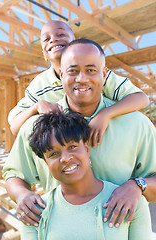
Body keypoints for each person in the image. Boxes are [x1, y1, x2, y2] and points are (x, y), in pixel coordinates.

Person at [3, 39, 156, 234]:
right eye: (73, 71)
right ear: (61, 74)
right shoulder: (37, 127)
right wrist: (21, 194)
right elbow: (13, 173)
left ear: (104, 74)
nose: (81, 79)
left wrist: (137, 186)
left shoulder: (136, 124)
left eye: (91, 70)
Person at [8, 21, 149, 148]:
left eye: (61, 34)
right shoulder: (39, 85)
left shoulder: (97, 76)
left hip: (103, 143)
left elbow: (141, 98)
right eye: (46, 38)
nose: (54, 39)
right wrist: (36, 107)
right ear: (44, 53)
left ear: (74, 44)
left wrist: (105, 114)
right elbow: (15, 127)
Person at [22, 111, 152, 239]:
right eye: (53, 154)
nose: (65, 158)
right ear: (46, 162)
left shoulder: (129, 201)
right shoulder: (35, 212)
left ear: (87, 149)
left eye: (72, 146)